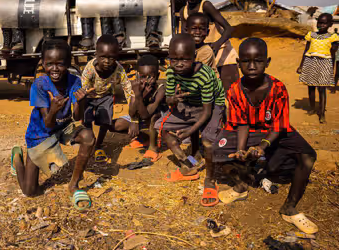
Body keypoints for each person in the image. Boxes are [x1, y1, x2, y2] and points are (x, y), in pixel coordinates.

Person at [213, 38, 318, 234]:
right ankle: (241, 185)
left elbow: (279, 126)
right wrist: (241, 151)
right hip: (248, 131)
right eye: (246, 61)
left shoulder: (278, 88)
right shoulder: (235, 89)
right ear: (238, 63)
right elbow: (242, 124)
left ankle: (289, 208)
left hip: (272, 132)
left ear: (267, 62)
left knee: (308, 155)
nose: (252, 66)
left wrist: (262, 146)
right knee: (217, 151)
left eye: (258, 61)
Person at [10, 40, 95, 210]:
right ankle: (17, 159)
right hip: (40, 133)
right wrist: (54, 109)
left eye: (60, 64)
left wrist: (81, 102)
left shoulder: (74, 81)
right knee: (30, 191)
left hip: (63, 127)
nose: (55, 69)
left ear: (68, 63)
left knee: (88, 137)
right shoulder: (40, 85)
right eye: (50, 64)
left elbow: (77, 117)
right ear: (42, 63)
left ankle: (73, 185)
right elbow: (47, 124)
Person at [158, 34, 225, 207]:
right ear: (169, 59)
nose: (179, 64)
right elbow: (169, 98)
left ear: (194, 58)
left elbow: (207, 112)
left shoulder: (205, 75)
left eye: (184, 60)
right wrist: (172, 100)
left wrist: (189, 131)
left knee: (208, 141)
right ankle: (188, 165)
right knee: (162, 127)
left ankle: (210, 180)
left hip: (212, 104)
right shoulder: (171, 72)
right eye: (174, 60)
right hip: (190, 102)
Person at [96, 55, 167, 163]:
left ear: (157, 76)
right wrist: (134, 121)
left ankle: (153, 148)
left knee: (153, 117)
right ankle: (143, 138)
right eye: (143, 76)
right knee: (114, 126)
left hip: (157, 121)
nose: (146, 81)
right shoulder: (135, 86)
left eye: (150, 77)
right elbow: (131, 111)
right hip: (139, 116)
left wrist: (138, 96)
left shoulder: (160, 90)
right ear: (137, 75)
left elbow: (146, 115)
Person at [180, 0, 239, 90]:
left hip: (222, 53)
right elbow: (184, 37)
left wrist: (217, 44)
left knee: (231, 91)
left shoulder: (206, 6)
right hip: (203, 55)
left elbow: (228, 28)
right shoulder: (184, 11)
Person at [81, 35, 134, 161]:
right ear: (96, 54)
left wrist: (133, 109)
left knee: (105, 120)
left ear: (116, 56)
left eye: (111, 57)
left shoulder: (119, 70)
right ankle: (89, 142)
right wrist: (87, 95)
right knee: (87, 119)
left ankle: (98, 145)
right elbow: (84, 85)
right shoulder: (90, 68)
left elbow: (127, 88)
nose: (106, 61)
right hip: (89, 96)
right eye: (103, 57)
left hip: (106, 96)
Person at [297, 13, 339, 123]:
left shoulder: (333, 37)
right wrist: (301, 66)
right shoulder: (311, 35)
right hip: (310, 62)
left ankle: (322, 113)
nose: (321, 25)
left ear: (330, 24)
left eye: (324, 23)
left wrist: (331, 69)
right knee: (311, 87)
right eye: (319, 22)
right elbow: (306, 51)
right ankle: (312, 108)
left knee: (322, 89)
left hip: (325, 64)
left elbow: (333, 55)